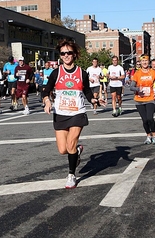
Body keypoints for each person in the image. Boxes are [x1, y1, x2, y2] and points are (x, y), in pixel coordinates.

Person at [41, 39, 106, 189]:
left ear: (74, 54)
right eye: (63, 53)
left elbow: (87, 91)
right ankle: (77, 152)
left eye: (69, 52)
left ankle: (71, 175)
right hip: (60, 113)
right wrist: (47, 101)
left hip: (77, 112)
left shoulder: (82, 73)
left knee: (70, 143)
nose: (66, 55)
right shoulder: (56, 73)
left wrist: (94, 100)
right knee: (63, 149)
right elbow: (46, 90)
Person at [130, 54, 155, 146]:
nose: (144, 63)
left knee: (150, 118)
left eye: (146, 61)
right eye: (143, 61)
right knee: (144, 120)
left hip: (150, 99)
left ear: (149, 62)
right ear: (140, 62)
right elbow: (131, 87)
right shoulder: (137, 73)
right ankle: (148, 135)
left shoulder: (153, 72)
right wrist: (137, 89)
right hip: (139, 100)